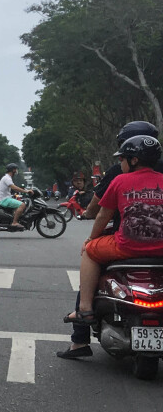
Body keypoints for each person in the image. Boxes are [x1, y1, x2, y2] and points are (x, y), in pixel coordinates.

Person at [59, 134, 163, 358]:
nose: (120, 163)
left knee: (89, 252)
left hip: (127, 247)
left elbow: (102, 217)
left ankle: (85, 309)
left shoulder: (120, 180)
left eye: (123, 159)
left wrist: (91, 239)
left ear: (133, 160)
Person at [0, 162, 26, 230]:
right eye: (15, 169)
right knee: (22, 205)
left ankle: (14, 218)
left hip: (5, 198)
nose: (16, 171)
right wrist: (25, 191)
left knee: (19, 203)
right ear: (13, 170)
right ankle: (14, 222)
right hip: (4, 199)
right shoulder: (7, 178)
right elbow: (14, 187)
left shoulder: (7, 178)